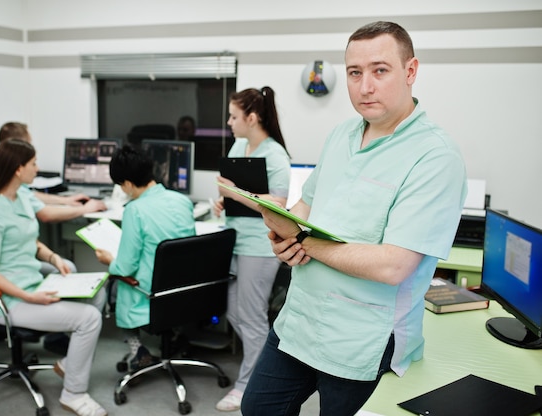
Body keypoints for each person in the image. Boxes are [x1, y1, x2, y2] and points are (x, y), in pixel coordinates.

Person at [240, 21, 468, 415]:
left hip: (364, 338)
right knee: (258, 408)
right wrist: (281, 233)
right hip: (300, 319)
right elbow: (305, 208)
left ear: (410, 71)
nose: (365, 86)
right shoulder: (342, 134)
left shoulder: (434, 156)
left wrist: (303, 241)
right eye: (354, 73)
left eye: (380, 70)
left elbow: (394, 266)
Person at [0, 139, 108, 416]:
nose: (38, 168)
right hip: (10, 300)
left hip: (33, 281)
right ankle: (74, 393)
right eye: (33, 164)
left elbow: (29, 241)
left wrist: (53, 258)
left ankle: (70, 364)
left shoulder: (19, 196)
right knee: (89, 319)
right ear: (18, 169)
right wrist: (28, 296)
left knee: (98, 293)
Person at [213, 86, 291, 412]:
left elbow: (280, 204)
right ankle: (267, 365)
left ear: (252, 117)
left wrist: (235, 194)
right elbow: (230, 189)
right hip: (234, 237)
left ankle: (247, 385)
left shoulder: (275, 155)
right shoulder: (239, 145)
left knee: (253, 318)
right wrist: (222, 200)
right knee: (234, 311)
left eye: (234, 116)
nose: (229, 122)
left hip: (259, 245)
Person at [94, 144, 196, 370]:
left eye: (121, 185)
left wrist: (109, 260)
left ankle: (137, 348)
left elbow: (126, 267)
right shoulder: (182, 201)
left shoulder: (135, 210)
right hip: (186, 292)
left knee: (116, 285)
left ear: (128, 184)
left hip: (152, 294)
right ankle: (176, 336)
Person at [0, 122, 107, 222]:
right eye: (28, 144)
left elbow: (29, 195)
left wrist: (65, 200)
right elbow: (45, 214)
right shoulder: (5, 179)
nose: (37, 169)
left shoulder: (1, 171)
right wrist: (86, 209)